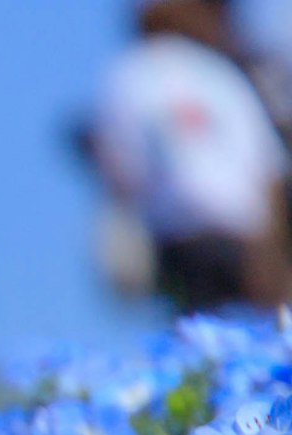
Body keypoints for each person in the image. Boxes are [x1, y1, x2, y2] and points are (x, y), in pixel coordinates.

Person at [94, 0, 291, 314]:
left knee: (194, 332)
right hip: (248, 242)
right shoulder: (220, 72)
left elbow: (122, 170)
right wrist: (273, 257)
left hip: (180, 242)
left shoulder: (129, 74)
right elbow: (269, 170)